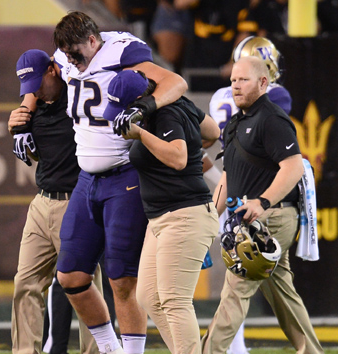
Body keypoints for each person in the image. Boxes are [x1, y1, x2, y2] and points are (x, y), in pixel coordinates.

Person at [16, 11, 188, 354]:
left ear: (93, 41)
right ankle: (110, 348)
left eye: (79, 55)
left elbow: (177, 83)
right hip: (86, 179)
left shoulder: (122, 51)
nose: (75, 64)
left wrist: (145, 105)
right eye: (68, 57)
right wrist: (24, 111)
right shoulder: (65, 56)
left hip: (124, 176)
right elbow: (40, 74)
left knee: (121, 279)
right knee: (70, 276)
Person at [201, 56, 324, 354]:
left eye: (243, 79)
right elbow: (227, 180)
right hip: (248, 219)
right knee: (283, 293)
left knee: (236, 290)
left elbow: (293, 167)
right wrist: (205, 218)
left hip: (272, 218)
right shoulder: (234, 124)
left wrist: (264, 201)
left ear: (263, 82)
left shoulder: (272, 119)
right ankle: (312, 351)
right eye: (232, 80)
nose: (236, 85)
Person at [105, 69, 220, 353]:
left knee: (174, 300)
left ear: (139, 99)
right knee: (149, 296)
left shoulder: (166, 113)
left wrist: (143, 135)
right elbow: (212, 132)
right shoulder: (176, 105)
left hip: (184, 213)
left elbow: (179, 159)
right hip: (163, 216)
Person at [9, 49, 105, 354]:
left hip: (76, 200)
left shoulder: (78, 97)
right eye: (28, 86)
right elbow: (35, 154)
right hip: (41, 202)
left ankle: (98, 351)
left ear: (54, 70)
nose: (34, 90)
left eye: (38, 82)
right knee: (25, 284)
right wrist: (14, 126)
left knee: (85, 287)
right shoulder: (32, 106)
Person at [204, 35, 292, 354]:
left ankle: (233, 345)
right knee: (247, 277)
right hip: (260, 192)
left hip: (232, 184)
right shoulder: (275, 95)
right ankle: (233, 347)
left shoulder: (219, 96)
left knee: (243, 273)